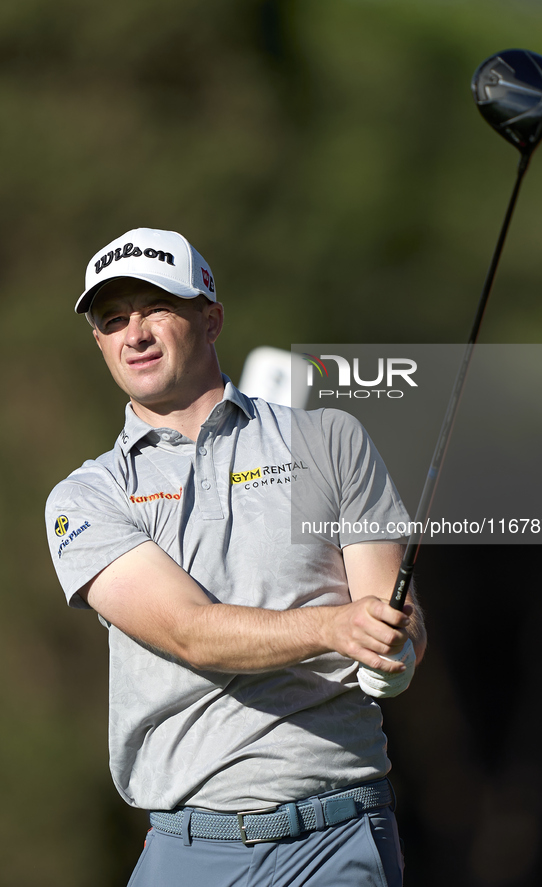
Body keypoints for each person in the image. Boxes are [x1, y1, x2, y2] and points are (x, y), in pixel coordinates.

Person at [45, 227, 426, 887]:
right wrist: (334, 627)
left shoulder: (329, 438)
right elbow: (188, 631)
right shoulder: (86, 496)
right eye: (113, 320)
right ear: (101, 343)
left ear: (211, 317)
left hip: (335, 837)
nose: (133, 333)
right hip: (189, 848)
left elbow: (394, 611)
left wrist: (395, 653)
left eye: (154, 308)